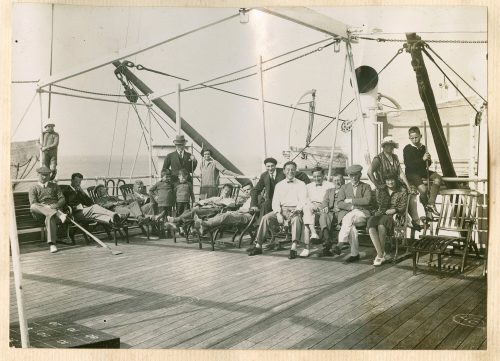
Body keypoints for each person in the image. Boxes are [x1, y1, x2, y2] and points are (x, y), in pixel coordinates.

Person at [247, 161, 308, 259]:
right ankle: (258, 245)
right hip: (282, 210)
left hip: (295, 211)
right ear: (284, 171)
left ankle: (293, 248)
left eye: (293, 169)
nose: (290, 171)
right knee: (265, 218)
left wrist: (297, 210)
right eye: (288, 169)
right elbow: (275, 201)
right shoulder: (279, 185)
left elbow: (303, 200)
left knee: (296, 220)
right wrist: (278, 213)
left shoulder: (301, 184)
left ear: (295, 171)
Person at [367, 135, 421, 230]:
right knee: (392, 202)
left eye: (392, 145)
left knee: (411, 194)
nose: (390, 147)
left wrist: (408, 187)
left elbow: (401, 173)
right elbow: (369, 172)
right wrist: (377, 185)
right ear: (383, 146)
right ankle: (405, 220)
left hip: (395, 184)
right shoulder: (378, 159)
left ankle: (414, 220)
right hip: (384, 187)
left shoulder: (395, 157)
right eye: (387, 145)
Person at [332, 164, 373, 263]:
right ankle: (354, 254)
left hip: (362, 215)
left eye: (355, 175)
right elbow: (340, 203)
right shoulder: (344, 187)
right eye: (351, 175)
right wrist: (352, 207)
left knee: (349, 218)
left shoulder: (366, 186)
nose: (353, 178)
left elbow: (367, 201)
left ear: (359, 174)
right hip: (351, 214)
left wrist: (351, 200)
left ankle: (340, 244)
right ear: (348, 176)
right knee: (351, 227)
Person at [367, 173, 408, 266]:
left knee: (381, 225)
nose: (390, 182)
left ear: (396, 180)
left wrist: (395, 209)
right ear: (385, 181)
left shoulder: (401, 191)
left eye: (392, 180)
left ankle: (380, 256)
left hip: (393, 215)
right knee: (371, 224)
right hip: (381, 213)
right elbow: (373, 203)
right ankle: (381, 254)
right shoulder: (381, 190)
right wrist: (375, 211)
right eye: (388, 180)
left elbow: (403, 207)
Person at [403, 126, 443, 217]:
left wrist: (428, 160)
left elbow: (427, 164)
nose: (414, 140)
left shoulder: (424, 147)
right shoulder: (407, 148)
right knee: (423, 190)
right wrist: (422, 159)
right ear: (409, 138)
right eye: (412, 138)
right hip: (411, 173)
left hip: (421, 171)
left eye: (416, 137)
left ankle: (431, 203)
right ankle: (426, 206)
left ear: (420, 136)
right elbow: (408, 164)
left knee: (438, 178)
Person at [28, 166, 67, 253]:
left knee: (50, 216)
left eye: (47, 175)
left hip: (53, 212)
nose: (44, 177)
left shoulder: (55, 186)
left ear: (49, 176)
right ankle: (58, 214)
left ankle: (52, 244)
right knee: (33, 206)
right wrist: (47, 207)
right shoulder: (33, 188)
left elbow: (62, 199)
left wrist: (54, 205)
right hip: (40, 214)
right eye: (42, 175)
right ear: (38, 175)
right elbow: (33, 202)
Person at [300, 166, 334, 257]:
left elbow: (331, 199)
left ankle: (307, 247)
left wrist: (324, 206)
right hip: (312, 207)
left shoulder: (330, 185)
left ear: (324, 175)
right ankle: (313, 234)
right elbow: (305, 199)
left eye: (319, 176)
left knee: (306, 222)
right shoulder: (308, 186)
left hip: (324, 208)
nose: (316, 179)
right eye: (314, 177)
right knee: (307, 209)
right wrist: (313, 205)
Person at [166, 183, 236, 225]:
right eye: (225, 190)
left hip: (214, 210)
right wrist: (198, 202)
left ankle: (175, 220)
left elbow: (233, 204)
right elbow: (207, 200)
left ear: (230, 192)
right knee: (188, 210)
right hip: (207, 207)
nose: (226, 192)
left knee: (195, 211)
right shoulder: (216, 197)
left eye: (229, 191)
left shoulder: (230, 199)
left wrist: (221, 203)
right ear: (222, 190)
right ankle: (178, 223)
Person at [316, 173, 345, 257]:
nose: (337, 182)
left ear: (343, 181)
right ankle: (328, 239)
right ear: (333, 182)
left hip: (340, 213)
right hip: (330, 213)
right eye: (335, 180)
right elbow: (324, 201)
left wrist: (341, 207)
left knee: (325, 217)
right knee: (324, 215)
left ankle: (326, 245)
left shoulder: (346, 190)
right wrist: (325, 206)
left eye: (339, 180)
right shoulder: (329, 191)